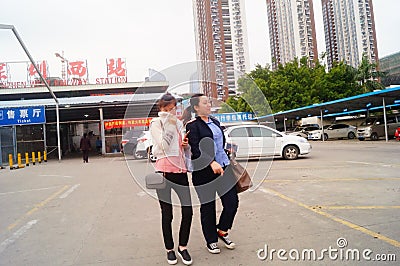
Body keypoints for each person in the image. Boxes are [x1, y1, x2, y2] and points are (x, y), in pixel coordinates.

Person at [185, 94, 239, 254]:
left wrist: (227, 151)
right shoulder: (192, 125)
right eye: (205, 103)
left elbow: (219, 143)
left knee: (232, 203)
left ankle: (222, 230)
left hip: (224, 167)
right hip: (203, 173)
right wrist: (210, 162)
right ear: (196, 107)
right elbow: (195, 148)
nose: (209, 105)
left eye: (209, 102)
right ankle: (211, 240)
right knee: (208, 207)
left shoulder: (215, 122)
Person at [150, 93, 193, 265]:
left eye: (173, 108)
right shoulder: (157, 123)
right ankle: (170, 249)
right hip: (164, 173)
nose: (170, 112)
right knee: (167, 214)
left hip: (180, 171)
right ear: (160, 109)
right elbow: (163, 145)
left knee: (188, 211)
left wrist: (184, 144)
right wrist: (169, 123)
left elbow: (179, 148)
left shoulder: (178, 124)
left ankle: (183, 247)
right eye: (166, 109)